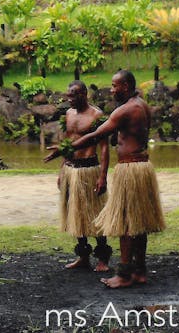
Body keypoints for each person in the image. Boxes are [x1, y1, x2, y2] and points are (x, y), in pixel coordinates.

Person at [69, 70, 165, 288]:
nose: (111, 90)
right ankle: (139, 271)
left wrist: (66, 148)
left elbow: (96, 135)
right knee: (139, 223)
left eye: (115, 85)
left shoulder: (126, 109)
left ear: (127, 85)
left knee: (125, 223)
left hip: (130, 169)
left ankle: (123, 275)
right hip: (142, 166)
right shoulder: (142, 104)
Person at [44, 81, 112, 272]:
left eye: (73, 95)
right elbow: (66, 143)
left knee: (94, 213)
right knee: (75, 213)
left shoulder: (97, 115)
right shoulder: (68, 114)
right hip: (70, 168)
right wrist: (61, 170)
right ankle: (83, 256)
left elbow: (105, 148)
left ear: (84, 94)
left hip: (89, 169)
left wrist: (102, 176)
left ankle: (103, 258)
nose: (69, 99)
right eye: (68, 95)